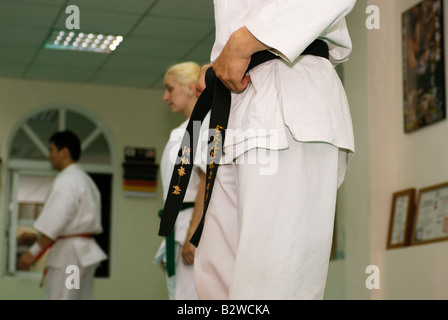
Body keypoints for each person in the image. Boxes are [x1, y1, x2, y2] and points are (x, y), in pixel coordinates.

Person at [193, 0, 357, 299]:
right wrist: (222, 59)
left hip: (289, 90)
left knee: (272, 284)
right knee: (216, 280)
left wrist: (246, 41)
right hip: (236, 100)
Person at [18, 130, 107, 300]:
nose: (49, 155)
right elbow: (68, 221)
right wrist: (35, 237)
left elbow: (56, 220)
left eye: (52, 150)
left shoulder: (67, 180)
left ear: (64, 152)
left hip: (71, 258)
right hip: (82, 254)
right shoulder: (85, 180)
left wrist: (33, 252)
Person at [154, 61, 205, 300]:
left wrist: (193, 235)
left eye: (170, 88)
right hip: (178, 228)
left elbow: (208, 182)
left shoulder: (206, 126)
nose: (165, 97)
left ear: (190, 87)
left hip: (192, 229)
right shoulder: (180, 131)